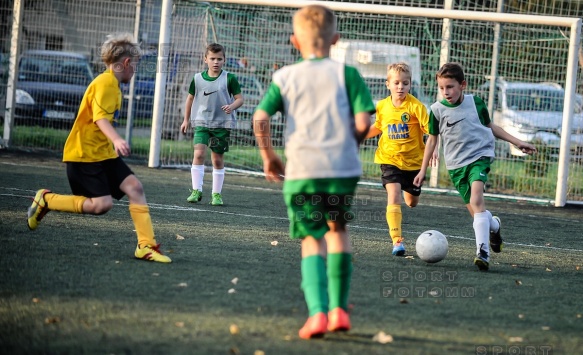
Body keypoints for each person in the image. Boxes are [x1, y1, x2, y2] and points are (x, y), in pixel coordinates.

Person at [253, 5, 375, 339]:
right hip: (341, 171)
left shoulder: (285, 77)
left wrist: (268, 156)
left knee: (312, 238)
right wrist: (349, 143)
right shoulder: (347, 74)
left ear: (295, 42)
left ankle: (318, 314)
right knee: (337, 230)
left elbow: (260, 118)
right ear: (335, 40)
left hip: (303, 171)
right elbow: (365, 121)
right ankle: (339, 309)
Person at [26, 33, 171, 263]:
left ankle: (146, 246)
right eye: (135, 65)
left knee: (135, 188)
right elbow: (100, 119)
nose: (135, 71)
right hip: (85, 156)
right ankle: (47, 200)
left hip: (103, 154)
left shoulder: (112, 84)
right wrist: (117, 140)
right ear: (125, 63)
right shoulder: (105, 83)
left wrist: (112, 144)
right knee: (101, 205)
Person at [413, 62, 537, 271]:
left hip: (480, 156)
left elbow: (491, 127)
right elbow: (432, 140)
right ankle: (494, 226)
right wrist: (422, 170)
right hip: (456, 166)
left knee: (476, 198)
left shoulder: (476, 103)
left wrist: (517, 141)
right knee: (476, 211)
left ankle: (483, 253)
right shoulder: (436, 110)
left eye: (450, 87)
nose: (446, 92)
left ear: (463, 85)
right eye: (442, 88)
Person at [365, 62, 438, 257]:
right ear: (387, 84)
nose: (400, 87)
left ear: (410, 84)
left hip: (413, 162)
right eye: (396, 83)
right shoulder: (382, 106)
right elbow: (379, 127)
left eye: (405, 83)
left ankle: (410, 190)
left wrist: (435, 150)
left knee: (412, 202)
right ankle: (397, 240)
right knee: (393, 194)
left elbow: (432, 133)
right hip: (389, 159)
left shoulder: (416, 107)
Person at [180, 43, 244, 206]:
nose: (216, 62)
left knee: (216, 159)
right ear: (205, 59)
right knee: (199, 154)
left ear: (224, 60)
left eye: (219, 59)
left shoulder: (229, 78)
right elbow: (190, 99)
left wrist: (231, 106)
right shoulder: (197, 79)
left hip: (221, 126)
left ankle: (216, 194)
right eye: (212, 58)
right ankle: (196, 190)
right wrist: (186, 119)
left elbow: (239, 99)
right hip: (202, 123)